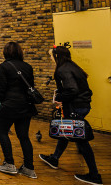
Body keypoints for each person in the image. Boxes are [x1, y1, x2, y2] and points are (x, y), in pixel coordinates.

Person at [39, 46, 102, 185]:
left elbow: (72, 90)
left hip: (76, 107)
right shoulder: (71, 66)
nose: (50, 59)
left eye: (51, 56)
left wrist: (59, 97)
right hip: (81, 105)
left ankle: (95, 176)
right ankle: (54, 158)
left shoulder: (62, 70)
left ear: (57, 56)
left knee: (81, 140)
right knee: (66, 130)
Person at [0, 42, 37, 179]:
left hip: (9, 106)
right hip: (25, 106)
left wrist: (0, 102)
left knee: (2, 132)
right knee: (23, 136)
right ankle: (29, 168)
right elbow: (30, 86)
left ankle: (9, 163)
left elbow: (1, 88)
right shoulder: (27, 67)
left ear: (6, 53)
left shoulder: (4, 66)